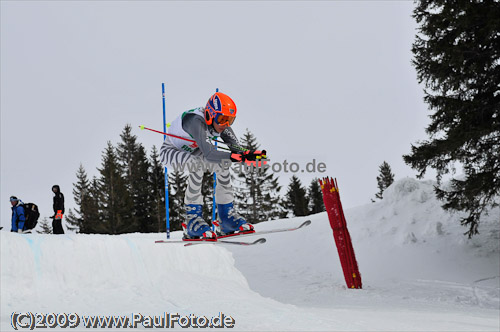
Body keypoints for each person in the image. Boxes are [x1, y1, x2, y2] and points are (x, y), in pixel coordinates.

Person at [160, 91, 264, 240]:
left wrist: (249, 154)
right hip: (170, 152)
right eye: (222, 119)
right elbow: (209, 153)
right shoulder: (196, 120)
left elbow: (236, 149)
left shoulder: (221, 125)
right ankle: (192, 219)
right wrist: (236, 157)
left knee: (223, 164)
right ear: (210, 114)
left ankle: (225, 217)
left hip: (195, 151)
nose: (225, 125)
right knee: (196, 164)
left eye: (230, 120)